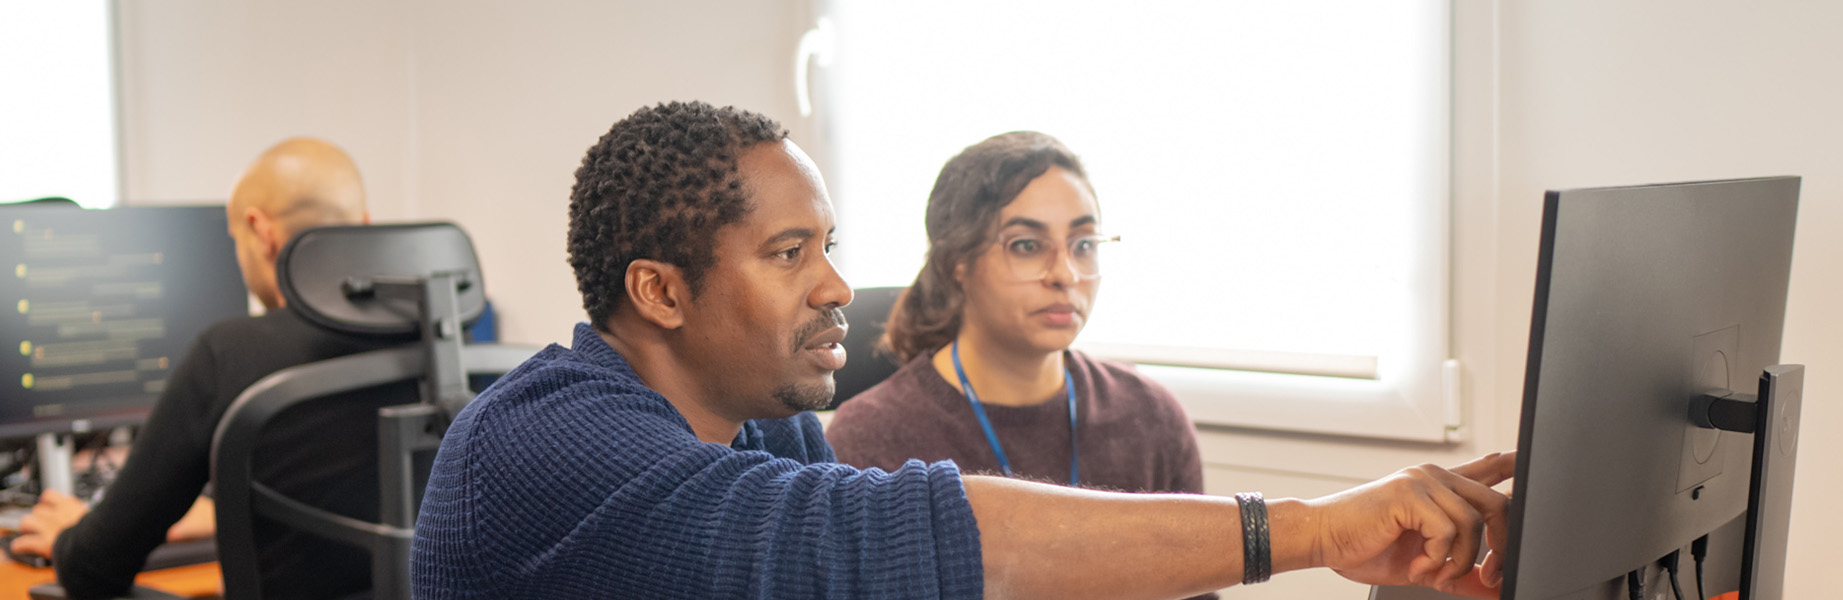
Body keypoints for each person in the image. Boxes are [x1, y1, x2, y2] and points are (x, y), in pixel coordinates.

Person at [412, 101, 1514, 600]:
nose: (837, 285)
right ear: (658, 290)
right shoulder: (546, 446)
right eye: (790, 252)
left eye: (829, 247)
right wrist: (1312, 530)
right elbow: (894, 541)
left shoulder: (767, 420)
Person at [9, 138, 398, 600]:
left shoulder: (231, 353)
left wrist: (71, 538)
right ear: (365, 226)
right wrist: (220, 511)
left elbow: (97, 568)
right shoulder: (445, 346)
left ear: (261, 232)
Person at [827, 132, 1204, 503]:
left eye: (1084, 244)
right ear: (957, 262)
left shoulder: (1153, 418)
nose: (1065, 274)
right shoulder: (872, 439)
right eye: (1027, 246)